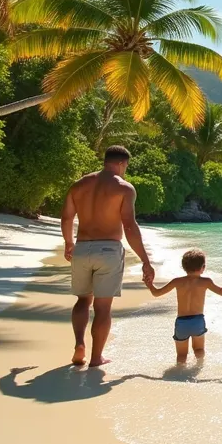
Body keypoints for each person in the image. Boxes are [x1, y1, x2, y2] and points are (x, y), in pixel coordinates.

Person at [61, 145, 155, 367]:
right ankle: (96, 357)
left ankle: (79, 345)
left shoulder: (79, 185)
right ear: (122, 164)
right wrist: (145, 260)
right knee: (102, 307)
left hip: (82, 248)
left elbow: (66, 218)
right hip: (108, 250)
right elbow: (129, 226)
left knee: (83, 300)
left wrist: (69, 243)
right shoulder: (124, 188)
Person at [144, 249, 222, 364]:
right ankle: (200, 366)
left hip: (182, 323)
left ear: (184, 267)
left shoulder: (177, 281)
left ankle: (179, 372)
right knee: (199, 349)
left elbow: (157, 293)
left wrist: (150, 285)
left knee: (181, 355)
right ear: (203, 267)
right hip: (197, 321)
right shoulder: (206, 281)